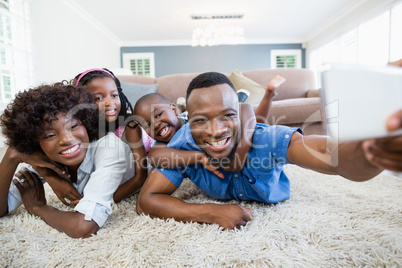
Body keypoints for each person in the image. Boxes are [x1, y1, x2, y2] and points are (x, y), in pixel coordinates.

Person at [136, 71, 398, 230]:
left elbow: (334, 158)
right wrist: (209, 212)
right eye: (200, 120)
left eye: (226, 116)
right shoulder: (182, 146)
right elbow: (146, 201)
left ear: (238, 114)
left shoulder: (263, 138)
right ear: (186, 118)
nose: (215, 131)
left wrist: (370, 149)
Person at [0, 82, 135, 238]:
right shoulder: (45, 159)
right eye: (50, 135)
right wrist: (12, 156)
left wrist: (40, 208)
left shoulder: (110, 148)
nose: (66, 139)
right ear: (35, 143)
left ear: (86, 122)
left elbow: (83, 226)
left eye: (73, 126)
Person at [134, 75, 286, 173]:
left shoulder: (191, 118)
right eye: (147, 125)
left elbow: (245, 109)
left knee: (256, 126)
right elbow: (154, 157)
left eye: (158, 115)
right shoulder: (162, 144)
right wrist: (201, 157)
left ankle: (268, 93)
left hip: (222, 115)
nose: (154, 125)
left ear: (173, 110)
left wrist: (241, 151)